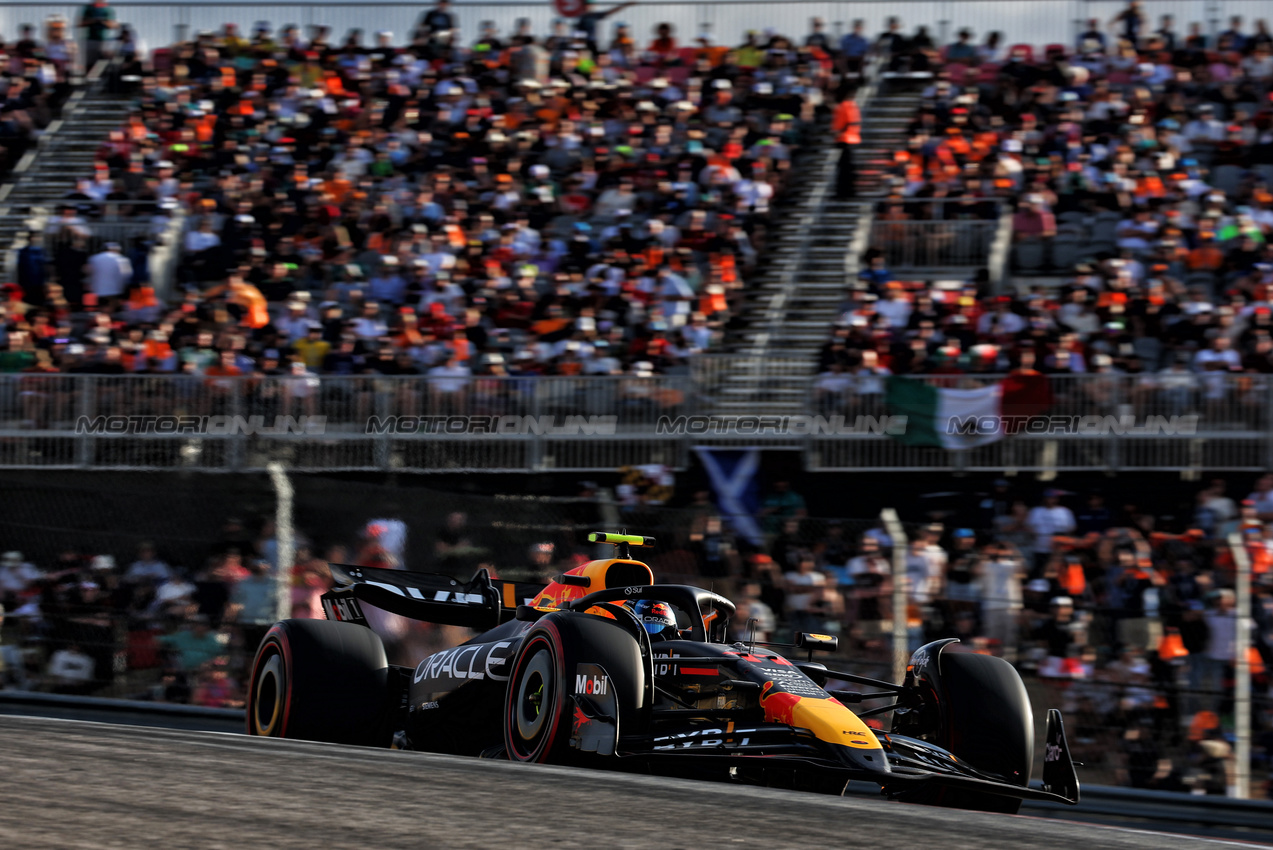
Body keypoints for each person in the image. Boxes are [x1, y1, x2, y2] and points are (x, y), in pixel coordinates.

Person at [831, 87, 861, 199]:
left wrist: (836, 133)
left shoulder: (843, 106)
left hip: (844, 139)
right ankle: (850, 192)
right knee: (849, 168)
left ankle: (843, 193)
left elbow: (840, 124)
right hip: (853, 138)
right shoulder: (853, 106)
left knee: (843, 169)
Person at [77, 0, 117, 72]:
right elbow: (80, 24)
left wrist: (102, 21)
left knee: (102, 63)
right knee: (89, 64)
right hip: (89, 41)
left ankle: (100, 80)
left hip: (104, 42)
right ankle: (89, 80)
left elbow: (113, 25)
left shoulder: (107, 9)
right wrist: (93, 21)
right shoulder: (88, 8)